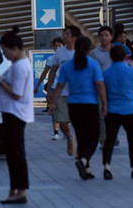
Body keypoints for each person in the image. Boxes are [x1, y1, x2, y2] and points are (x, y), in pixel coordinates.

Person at [0, 27, 34, 204]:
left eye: (5, 51)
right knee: (13, 154)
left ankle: (20, 190)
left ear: (14, 48)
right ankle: (15, 189)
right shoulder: (17, 65)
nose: (4, 54)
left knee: (16, 154)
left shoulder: (20, 66)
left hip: (16, 113)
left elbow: (16, 93)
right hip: (12, 113)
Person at [50, 36, 107, 180]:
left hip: (73, 105)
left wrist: (53, 103)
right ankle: (83, 160)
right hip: (90, 105)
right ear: (89, 49)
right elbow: (100, 85)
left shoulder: (67, 66)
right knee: (93, 137)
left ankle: (86, 169)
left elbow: (59, 86)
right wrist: (105, 103)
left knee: (81, 137)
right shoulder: (93, 64)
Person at [101, 45, 133, 180]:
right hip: (130, 109)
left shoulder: (106, 73)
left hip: (112, 110)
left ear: (111, 57)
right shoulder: (131, 71)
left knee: (109, 140)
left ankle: (107, 167)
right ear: (123, 57)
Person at [35, 27, 79, 155]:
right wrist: (48, 91)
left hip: (77, 92)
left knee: (78, 120)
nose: (65, 36)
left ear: (74, 37)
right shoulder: (59, 54)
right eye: (64, 34)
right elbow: (52, 71)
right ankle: (69, 136)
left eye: (67, 34)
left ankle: (80, 147)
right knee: (62, 119)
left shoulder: (80, 52)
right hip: (61, 92)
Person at [34, 37, 65, 141]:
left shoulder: (68, 58)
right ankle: (56, 132)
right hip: (53, 88)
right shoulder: (50, 59)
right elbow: (44, 73)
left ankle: (66, 130)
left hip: (65, 88)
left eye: (59, 45)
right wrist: (38, 85)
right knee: (54, 109)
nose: (57, 48)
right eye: (55, 46)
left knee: (65, 110)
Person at [90, 26, 114, 144]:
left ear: (111, 37)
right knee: (102, 113)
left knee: (114, 114)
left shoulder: (117, 51)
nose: (104, 38)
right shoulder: (94, 53)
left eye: (106, 35)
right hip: (99, 87)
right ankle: (104, 139)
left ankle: (113, 137)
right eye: (101, 35)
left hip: (115, 87)